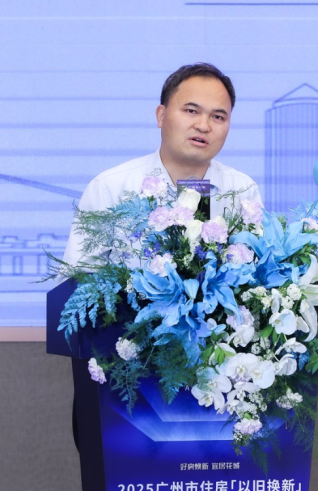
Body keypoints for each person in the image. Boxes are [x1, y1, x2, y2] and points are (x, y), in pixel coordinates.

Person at [63, 63, 262, 449]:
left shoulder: (241, 191)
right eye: (191, 110)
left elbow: (256, 283)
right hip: (126, 387)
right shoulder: (112, 188)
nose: (203, 125)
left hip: (215, 390)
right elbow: (75, 291)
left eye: (218, 116)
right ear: (161, 115)